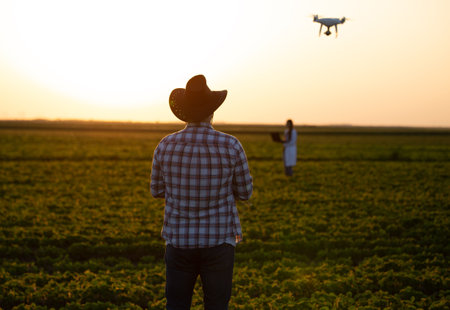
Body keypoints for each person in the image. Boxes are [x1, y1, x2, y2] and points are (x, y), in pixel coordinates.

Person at [150, 74, 253, 310]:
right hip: (219, 241)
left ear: (185, 112)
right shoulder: (231, 145)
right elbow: (245, 192)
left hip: (178, 241)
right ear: (212, 111)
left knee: (176, 305)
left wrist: (180, 192)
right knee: (217, 305)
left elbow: (156, 190)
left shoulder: (165, 145)